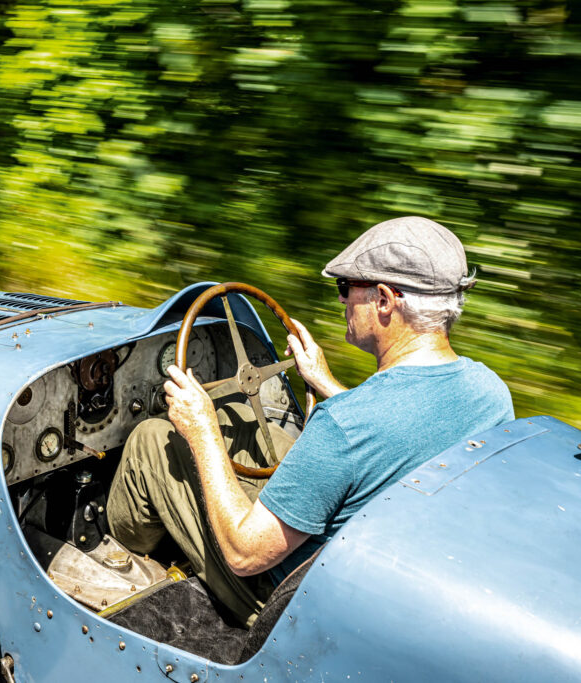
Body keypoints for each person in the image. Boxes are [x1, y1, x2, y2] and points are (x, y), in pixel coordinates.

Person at [107, 216, 514, 626]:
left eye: (346, 288)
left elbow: (245, 554)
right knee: (249, 423)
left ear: (386, 300)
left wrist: (202, 430)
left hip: (288, 601)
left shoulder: (345, 424)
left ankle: (121, 562)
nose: (342, 301)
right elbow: (402, 432)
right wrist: (326, 384)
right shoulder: (490, 391)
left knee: (151, 438)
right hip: (376, 577)